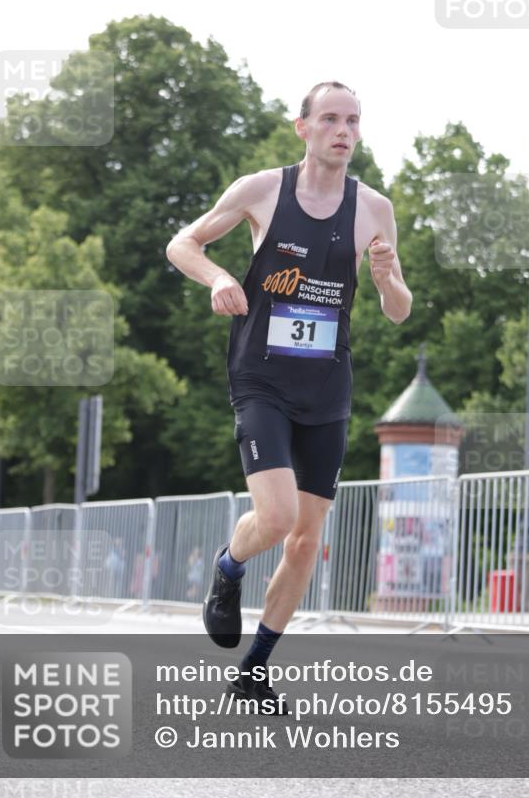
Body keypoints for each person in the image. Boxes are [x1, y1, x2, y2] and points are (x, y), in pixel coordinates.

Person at [166, 80, 412, 714]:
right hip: (263, 376)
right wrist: (220, 275)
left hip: (327, 385)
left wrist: (387, 281)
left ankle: (252, 671)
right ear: (302, 127)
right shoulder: (262, 191)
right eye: (329, 118)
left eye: (353, 120)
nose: (343, 130)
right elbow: (182, 244)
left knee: (306, 540)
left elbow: (398, 310)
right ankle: (228, 566)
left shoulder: (373, 209)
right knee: (275, 521)